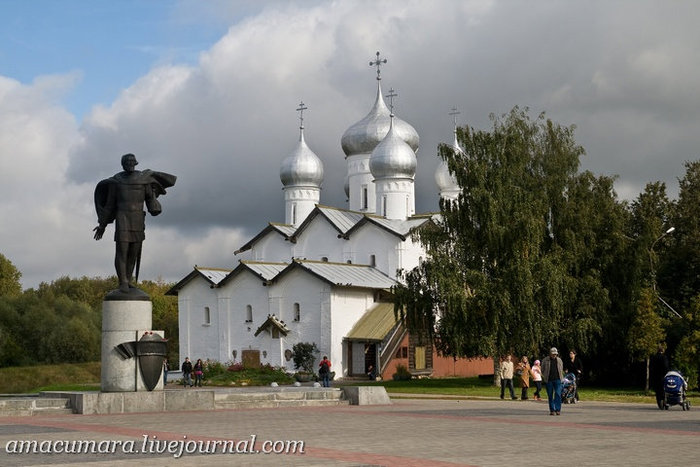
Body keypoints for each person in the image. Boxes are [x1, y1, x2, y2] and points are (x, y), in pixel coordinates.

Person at [93, 154, 176, 293]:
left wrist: (154, 205)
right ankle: (123, 281)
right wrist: (102, 225)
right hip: (122, 218)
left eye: (132, 162)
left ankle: (129, 279)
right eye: (127, 162)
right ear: (123, 164)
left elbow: (150, 200)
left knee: (133, 252)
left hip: (138, 219)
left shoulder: (144, 180)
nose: (130, 164)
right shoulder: (116, 182)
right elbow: (109, 205)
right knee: (122, 251)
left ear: (136, 163)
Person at [541, 347, 564, 415]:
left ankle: (558, 409)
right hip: (549, 380)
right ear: (550, 353)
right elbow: (542, 369)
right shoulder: (545, 360)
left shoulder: (559, 360)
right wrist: (545, 376)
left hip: (558, 379)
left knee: (558, 394)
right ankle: (552, 410)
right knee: (550, 395)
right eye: (553, 354)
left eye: (555, 354)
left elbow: (561, 368)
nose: (554, 355)